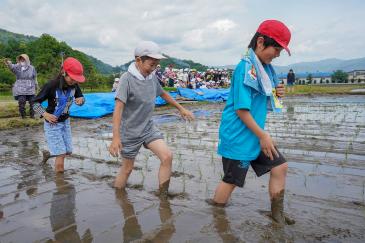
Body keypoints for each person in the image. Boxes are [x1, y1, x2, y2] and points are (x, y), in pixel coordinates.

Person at [208, 20, 295, 225]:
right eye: (277, 49)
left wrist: (277, 92)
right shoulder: (245, 68)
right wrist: (263, 135)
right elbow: (241, 109)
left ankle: (277, 215)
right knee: (231, 181)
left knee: (280, 167)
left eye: (281, 51)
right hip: (239, 135)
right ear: (261, 42)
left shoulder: (266, 69)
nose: (277, 54)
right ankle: (215, 216)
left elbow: (266, 95)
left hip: (255, 135)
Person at [108, 41, 194, 197]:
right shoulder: (126, 79)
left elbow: (163, 93)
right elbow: (118, 109)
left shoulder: (152, 78)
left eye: (156, 65)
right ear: (138, 60)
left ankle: (163, 196)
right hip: (130, 132)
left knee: (167, 156)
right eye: (151, 64)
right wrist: (115, 137)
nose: (153, 68)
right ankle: (118, 197)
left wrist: (181, 108)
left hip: (148, 128)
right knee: (127, 169)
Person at [33, 57, 86, 173]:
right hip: (53, 124)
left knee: (67, 151)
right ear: (64, 72)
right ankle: (60, 185)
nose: (74, 81)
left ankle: (49, 154)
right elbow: (34, 103)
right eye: (72, 78)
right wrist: (45, 114)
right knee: (61, 154)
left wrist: (81, 100)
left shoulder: (75, 85)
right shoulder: (51, 85)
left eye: (77, 79)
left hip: (65, 122)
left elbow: (80, 98)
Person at [4, 54, 38, 118]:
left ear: (27, 60)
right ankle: (23, 116)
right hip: (20, 87)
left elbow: (35, 77)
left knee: (33, 102)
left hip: (30, 86)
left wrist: (36, 84)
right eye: (21, 59)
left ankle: (32, 116)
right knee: (22, 102)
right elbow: (12, 67)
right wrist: (8, 63)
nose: (22, 60)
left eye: (23, 59)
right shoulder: (17, 66)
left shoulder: (32, 67)